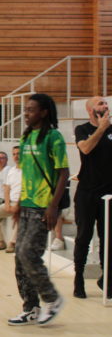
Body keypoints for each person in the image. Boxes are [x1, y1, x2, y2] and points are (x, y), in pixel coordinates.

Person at [8, 93, 68, 327]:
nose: (26, 113)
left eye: (31, 109)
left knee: (28, 254)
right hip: (27, 204)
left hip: (44, 206)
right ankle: (30, 308)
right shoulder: (25, 137)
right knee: (19, 258)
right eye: (25, 109)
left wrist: (53, 206)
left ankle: (52, 299)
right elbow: (27, 174)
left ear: (43, 112)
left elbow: (63, 173)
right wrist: (19, 203)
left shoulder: (53, 137)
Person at [72, 96, 112, 299]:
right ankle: (78, 279)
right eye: (100, 103)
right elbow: (86, 148)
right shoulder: (82, 129)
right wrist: (102, 129)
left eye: (105, 103)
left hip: (109, 194)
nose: (105, 106)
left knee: (108, 239)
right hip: (87, 192)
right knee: (83, 237)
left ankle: (107, 279)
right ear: (90, 110)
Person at [0, 147, 21, 251]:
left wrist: (17, 205)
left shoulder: (28, 170)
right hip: (11, 202)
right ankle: (1, 242)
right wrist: (7, 204)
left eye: (18, 154)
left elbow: (26, 190)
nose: (16, 156)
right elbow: (7, 188)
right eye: (14, 154)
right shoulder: (12, 171)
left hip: (22, 203)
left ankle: (13, 243)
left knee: (20, 214)